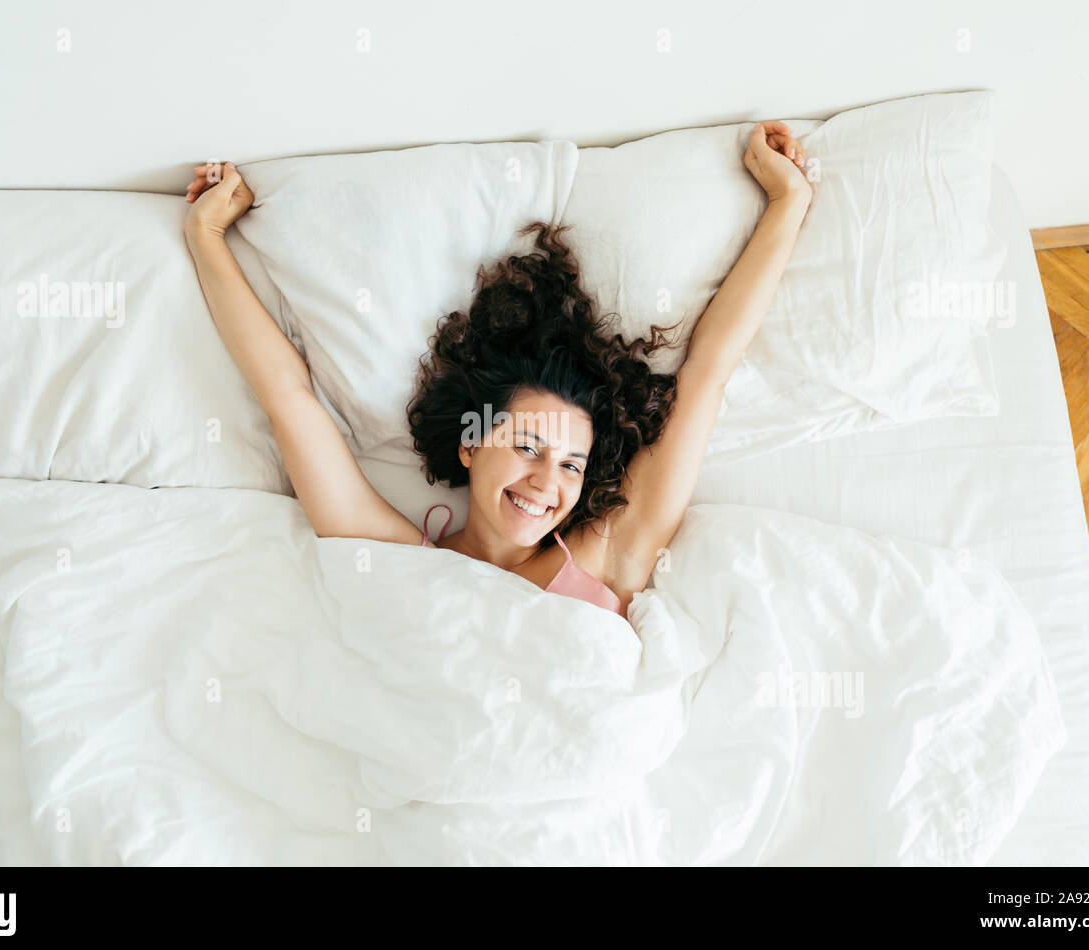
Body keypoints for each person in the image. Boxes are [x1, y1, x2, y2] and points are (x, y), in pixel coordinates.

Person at [183, 122, 812, 620]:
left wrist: (787, 200)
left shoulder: (609, 554)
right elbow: (288, 396)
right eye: (528, 447)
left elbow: (706, 371)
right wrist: (207, 236)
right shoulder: (392, 556)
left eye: (570, 463)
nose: (547, 482)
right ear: (470, 443)